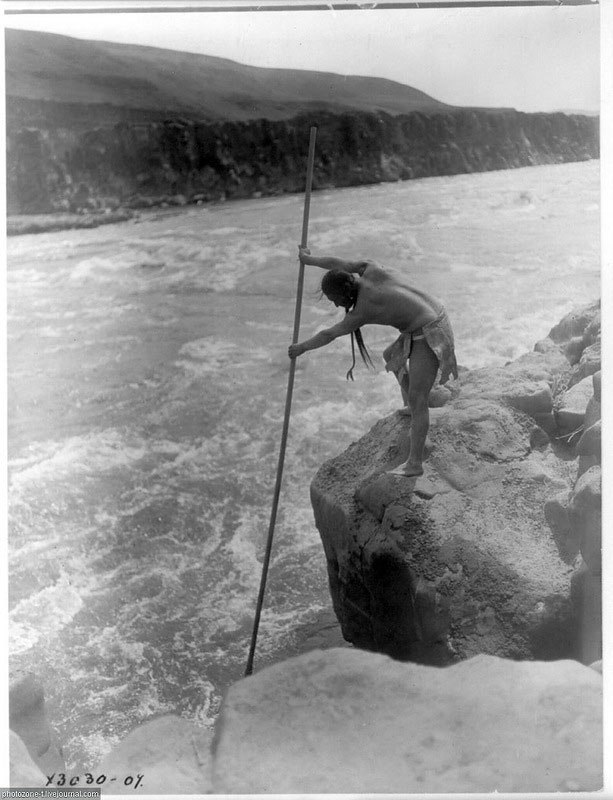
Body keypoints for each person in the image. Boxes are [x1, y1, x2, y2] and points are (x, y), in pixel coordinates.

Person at [288, 246, 458, 477]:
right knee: (392, 357)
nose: (336, 305)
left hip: (429, 332)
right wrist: (309, 259)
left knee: (419, 399)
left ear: (343, 293)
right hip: (435, 314)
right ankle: (411, 406)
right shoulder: (369, 268)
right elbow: (337, 262)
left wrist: (301, 348)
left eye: (334, 300)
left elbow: (329, 334)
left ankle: (415, 463)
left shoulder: (362, 310)